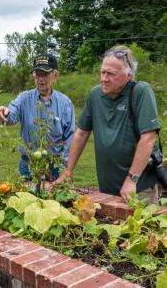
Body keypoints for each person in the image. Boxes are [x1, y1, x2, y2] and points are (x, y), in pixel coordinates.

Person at [61, 45, 160, 203]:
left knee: (140, 227)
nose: (104, 79)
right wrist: (68, 171)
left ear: (128, 75)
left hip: (138, 190)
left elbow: (149, 137)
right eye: (103, 72)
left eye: (111, 74)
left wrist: (131, 180)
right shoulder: (95, 95)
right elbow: (81, 133)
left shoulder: (140, 92)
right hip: (106, 189)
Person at [0, 53, 75, 184]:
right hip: (27, 164)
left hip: (53, 167)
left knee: (54, 202)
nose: (40, 79)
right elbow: (11, 115)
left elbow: (70, 138)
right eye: (37, 74)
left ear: (55, 76)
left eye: (44, 74)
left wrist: (64, 169)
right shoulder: (24, 98)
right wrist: (5, 113)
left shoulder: (65, 103)